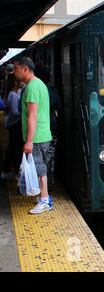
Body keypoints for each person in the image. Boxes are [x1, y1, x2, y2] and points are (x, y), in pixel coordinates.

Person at [14, 57, 53, 214]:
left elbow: (32, 116)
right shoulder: (39, 84)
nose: (14, 73)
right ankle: (44, 198)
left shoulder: (31, 88)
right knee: (40, 167)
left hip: (36, 137)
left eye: (16, 69)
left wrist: (29, 141)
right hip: (42, 134)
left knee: (39, 168)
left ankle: (44, 200)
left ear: (25, 69)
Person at [1, 76, 24, 179]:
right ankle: (11, 170)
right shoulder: (13, 95)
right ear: (15, 83)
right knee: (15, 147)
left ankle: (8, 170)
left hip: (12, 124)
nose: (23, 82)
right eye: (21, 80)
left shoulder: (11, 94)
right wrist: (25, 113)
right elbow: (15, 112)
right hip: (14, 124)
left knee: (12, 147)